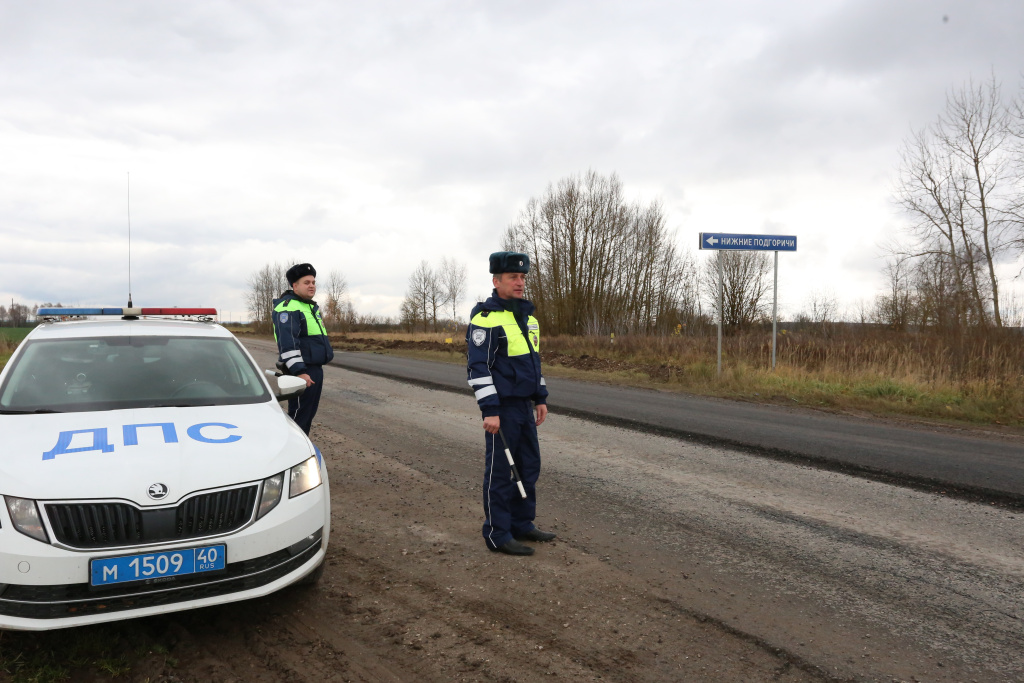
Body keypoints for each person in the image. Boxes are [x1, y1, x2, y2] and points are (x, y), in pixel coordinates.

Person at [465, 251, 555, 556]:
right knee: (501, 472)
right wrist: (489, 409)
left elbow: (534, 363)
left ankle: (521, 523)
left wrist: (540, 398)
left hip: (524, 408)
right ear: (496, 280)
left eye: (522, 277)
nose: (520, 283)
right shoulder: (485, 320)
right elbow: (478, 368)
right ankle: (497, 533)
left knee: (528, 466)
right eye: (513, 277)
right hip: (501, 409)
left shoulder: (528, 319)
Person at [273, 263, 334, 434]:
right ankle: (295, 454)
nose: (312, 285)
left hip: (313, 369)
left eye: (313, 282)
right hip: (302, 370)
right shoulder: (289, 307)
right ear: (295, 285)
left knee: (307, 416)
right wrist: (299, 371)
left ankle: (301, 450)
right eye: (306, 282)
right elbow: (288, 344)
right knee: (299, 416)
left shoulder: (308, 306)